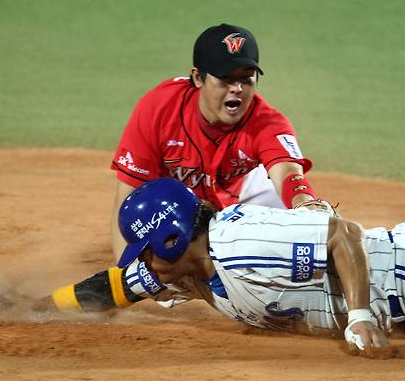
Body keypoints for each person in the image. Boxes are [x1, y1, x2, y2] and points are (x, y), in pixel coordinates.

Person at [45, 179, 405, 358]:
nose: (141, 267)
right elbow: (115, 288)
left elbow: (342, 233)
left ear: (170, 243)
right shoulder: (186, 273)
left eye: (144, 253)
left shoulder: (240, 243)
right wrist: (30, 307)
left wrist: (361, 314)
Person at [109, 23, 333, 261]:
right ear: (198, 78)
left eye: (246, 78)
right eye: (225, 79)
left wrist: (304, 203)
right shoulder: (159, 109)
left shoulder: (268, 123)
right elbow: (128, 196)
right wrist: (126, 275)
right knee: (166, 283)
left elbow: (288, 173)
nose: (237, 88)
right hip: (175, 202)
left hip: (244, 191)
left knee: (293, 236)